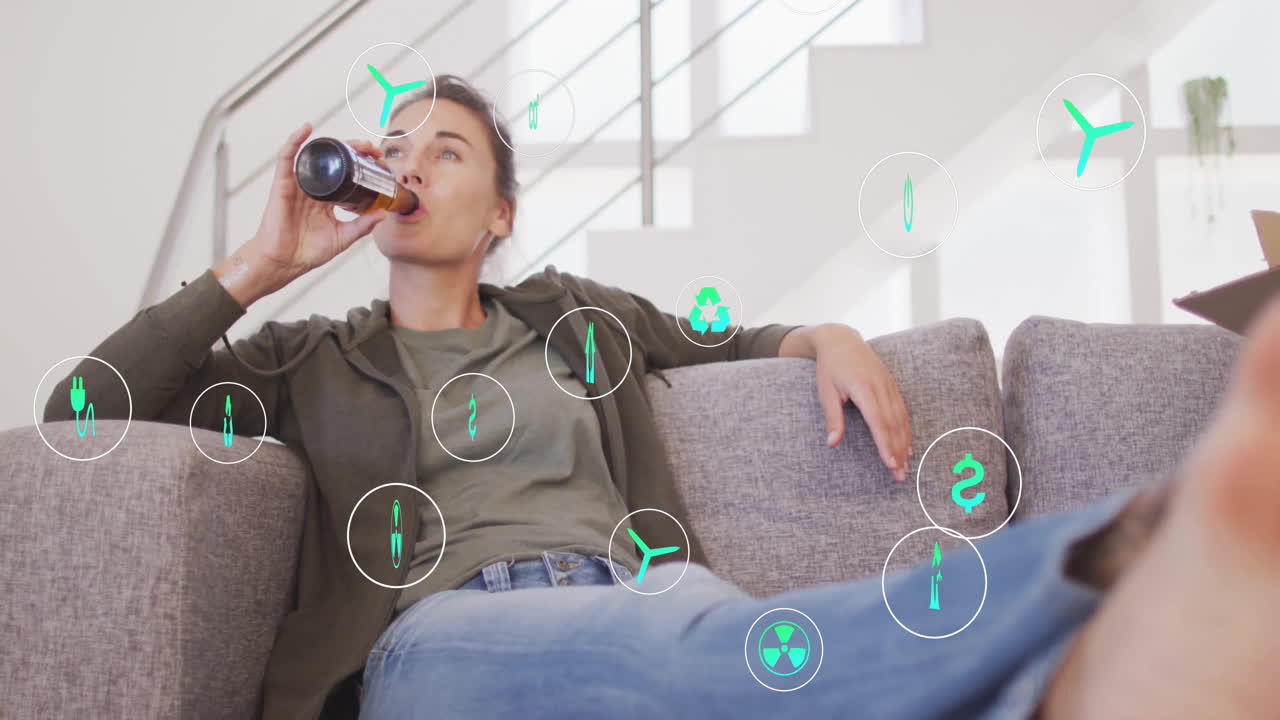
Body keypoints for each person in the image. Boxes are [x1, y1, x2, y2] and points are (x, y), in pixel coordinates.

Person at [44, 75, 1280, 719]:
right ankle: (1126, 554)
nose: (409, 164)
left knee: (695, 645)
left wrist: (821, 333)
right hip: (441, 644)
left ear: (502, 214)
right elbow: (84, 413)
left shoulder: (578, 312)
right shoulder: (302, 360)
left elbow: (731, 332)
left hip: (644, 589)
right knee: (707, 657)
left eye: (448, 150)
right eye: (396, 147)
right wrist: (263, 264)